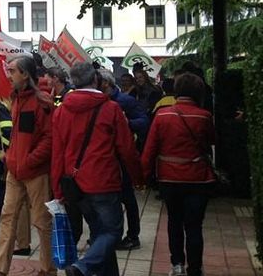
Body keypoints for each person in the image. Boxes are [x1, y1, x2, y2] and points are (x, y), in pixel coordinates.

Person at [51, 62, 143, 276]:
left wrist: (57, 189)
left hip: (75, 184)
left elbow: (57, 153)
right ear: (96, 81)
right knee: (113, 231)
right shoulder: (111, 109)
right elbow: (127, 148)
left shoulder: (61, 111)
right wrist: (139, 177)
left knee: (100, 233)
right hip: (104, 181)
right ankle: (83, 266)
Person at [0, 55, 56, 276]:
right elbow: (18, 136)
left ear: (25, 74)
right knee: (7, 218)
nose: (8, 75)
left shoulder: (41, 101)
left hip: (35, 172)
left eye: (12, 71)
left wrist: (28, 160)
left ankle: (48, 270)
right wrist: (10, 157)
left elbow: (49, 139)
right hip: (15, 170)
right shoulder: (16, 99)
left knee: (42, 222)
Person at [141, 73, 216, 276]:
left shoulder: (162, 116)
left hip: (169, 179)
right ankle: (195, 269)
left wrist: (145, 176)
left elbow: (150, 149)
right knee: (194, 226)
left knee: (174, 221)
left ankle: (177, 265)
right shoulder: (204, 116)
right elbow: (210, 143)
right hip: (198, 178)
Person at [98, 69, 149, 251]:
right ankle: (109, 234)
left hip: (122, 156)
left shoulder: (125, 101)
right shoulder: (98, 102)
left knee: (127, 198)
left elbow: (144, 121)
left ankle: (133, 235)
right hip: (105, 157)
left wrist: (127, 124)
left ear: (105, 83)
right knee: (109, 199)